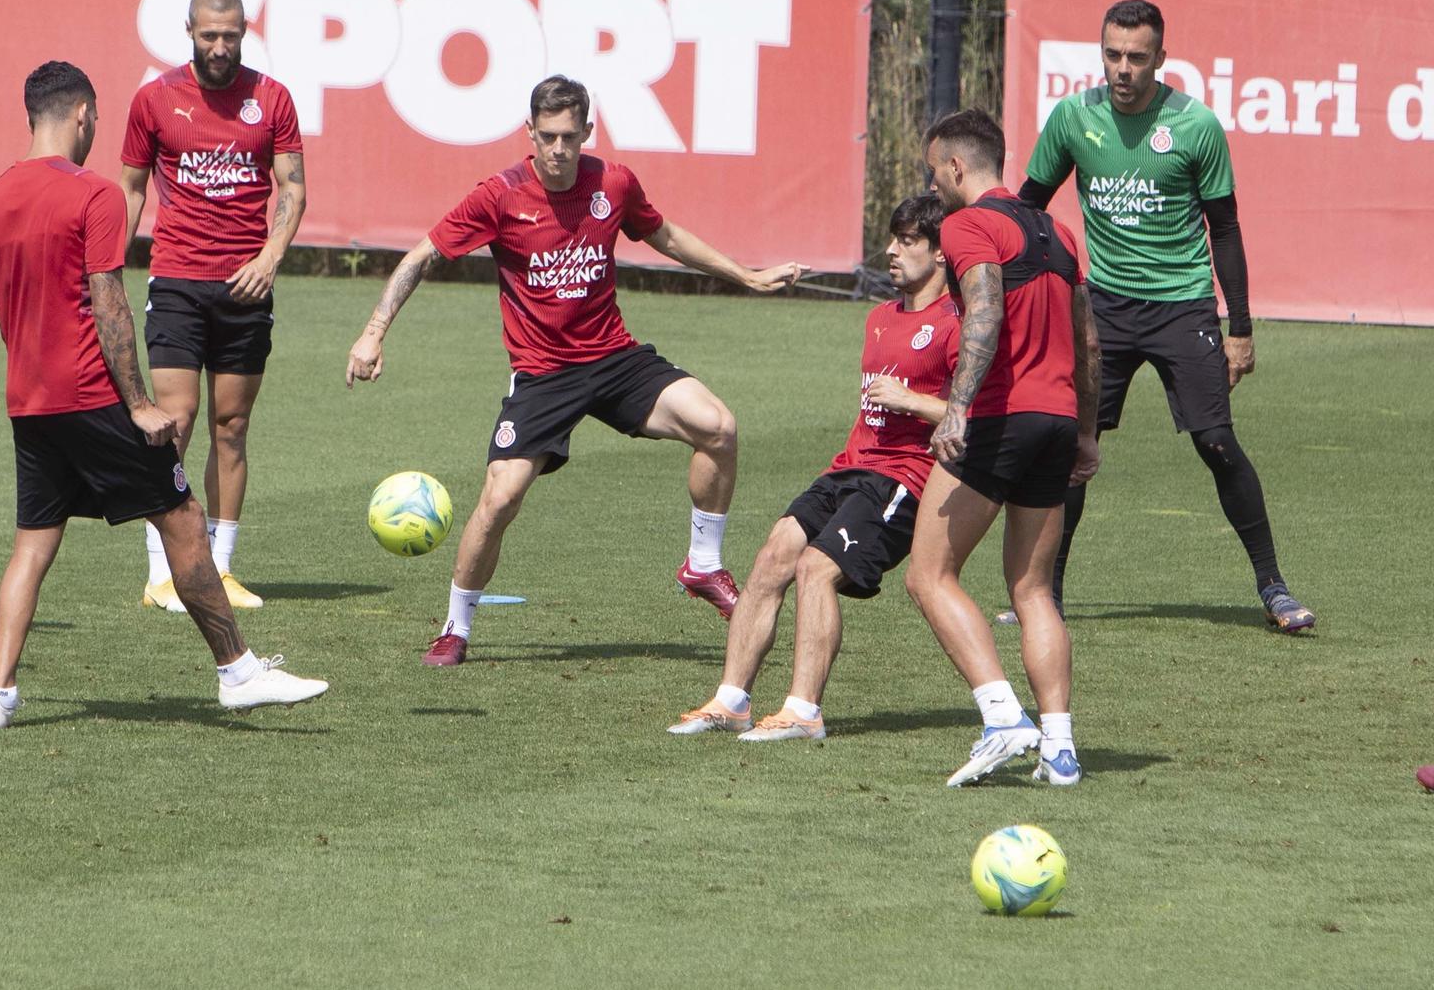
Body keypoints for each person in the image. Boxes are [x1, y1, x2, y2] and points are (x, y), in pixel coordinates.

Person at [346, 74, 806, 666]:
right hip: (543, 375)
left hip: (613, 358)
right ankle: (455, 628)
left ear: (587, 131)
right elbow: (424, 255)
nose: (559, 149)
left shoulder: (612, 182)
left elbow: (662, 233)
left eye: (569, 136)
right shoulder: (499, 194)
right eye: (547, 137)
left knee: (718, 425)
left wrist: (743, 275)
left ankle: (704, 563)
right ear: (529, 133)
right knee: (500, 498)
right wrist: (374, 331)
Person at [0, 61, 328, 729]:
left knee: (33, 544)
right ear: (83, 114)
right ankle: (237, 671)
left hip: (32, 406)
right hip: (92, 396)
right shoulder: (96, 194)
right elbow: (108, 298)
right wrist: (138, 401)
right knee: (182, 516)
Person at [1019, 0, 1315, 633]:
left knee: (1216, 441)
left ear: (1160, 58)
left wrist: (1240, 329)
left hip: (1184, 307)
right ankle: (1046, 593)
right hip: (1104, 313)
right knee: (1071, 448)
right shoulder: (1073, 118)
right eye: (1113, 55)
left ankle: (1274, 587)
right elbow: (1029, 206)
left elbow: (1226, 230)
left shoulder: (1195, 125)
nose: (1123, 68)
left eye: (1136, 57)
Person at [669, 194, 959, 741]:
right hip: (849, 467)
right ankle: (730, 701)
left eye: (907, 241)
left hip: (905, 478)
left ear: (942, 255)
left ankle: (803, 712)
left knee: (816, 569)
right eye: (893, 238)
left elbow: (982, 416)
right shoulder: (879, 317)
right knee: (774, 554)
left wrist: (914, 402)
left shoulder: (957, 323)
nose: (891, 251)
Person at [903, 108, 1099, 788]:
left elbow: (982, 310)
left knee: (928, 575)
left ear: (957, 166)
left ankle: (1001, 715)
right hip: (1056, 419)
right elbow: (1089, 340)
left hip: (1000, 417)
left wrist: (956, 407)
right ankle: (1060, 746)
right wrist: (1086, 431)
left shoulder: (968, 224)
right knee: (1032, 587)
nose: (935, 185)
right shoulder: (1058, 229)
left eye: (935, 171)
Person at [120, 0, 306, 614]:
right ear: (189, 30)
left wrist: (271, 256)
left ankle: (219, 570)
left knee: (232, 428)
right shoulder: (155, 99)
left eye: (231, 36)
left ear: (245, 31)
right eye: (209, 35)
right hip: (176, 282)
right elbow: (132, 186)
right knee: (173, 423)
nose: (220, 47)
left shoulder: (271, 98)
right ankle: (162, 572)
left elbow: (293, 188)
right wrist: (108, 265)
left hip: (246, 288)